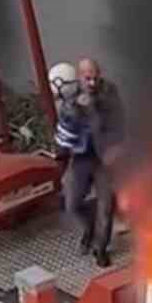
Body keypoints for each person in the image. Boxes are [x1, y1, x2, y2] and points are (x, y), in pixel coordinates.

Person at [58, 57, 126, 267]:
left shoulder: (108, 91)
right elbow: (65, 121)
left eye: (95, 78)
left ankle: (100, 248)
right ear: (80, 77)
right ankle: (89, 228)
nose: (92, 83)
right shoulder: (71, 94)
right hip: (81, 157)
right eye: (88, 79)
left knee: (106, 206)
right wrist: (76, 107)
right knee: (72, 203)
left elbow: (118, 120)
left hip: (105, 158)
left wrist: (93, 106)